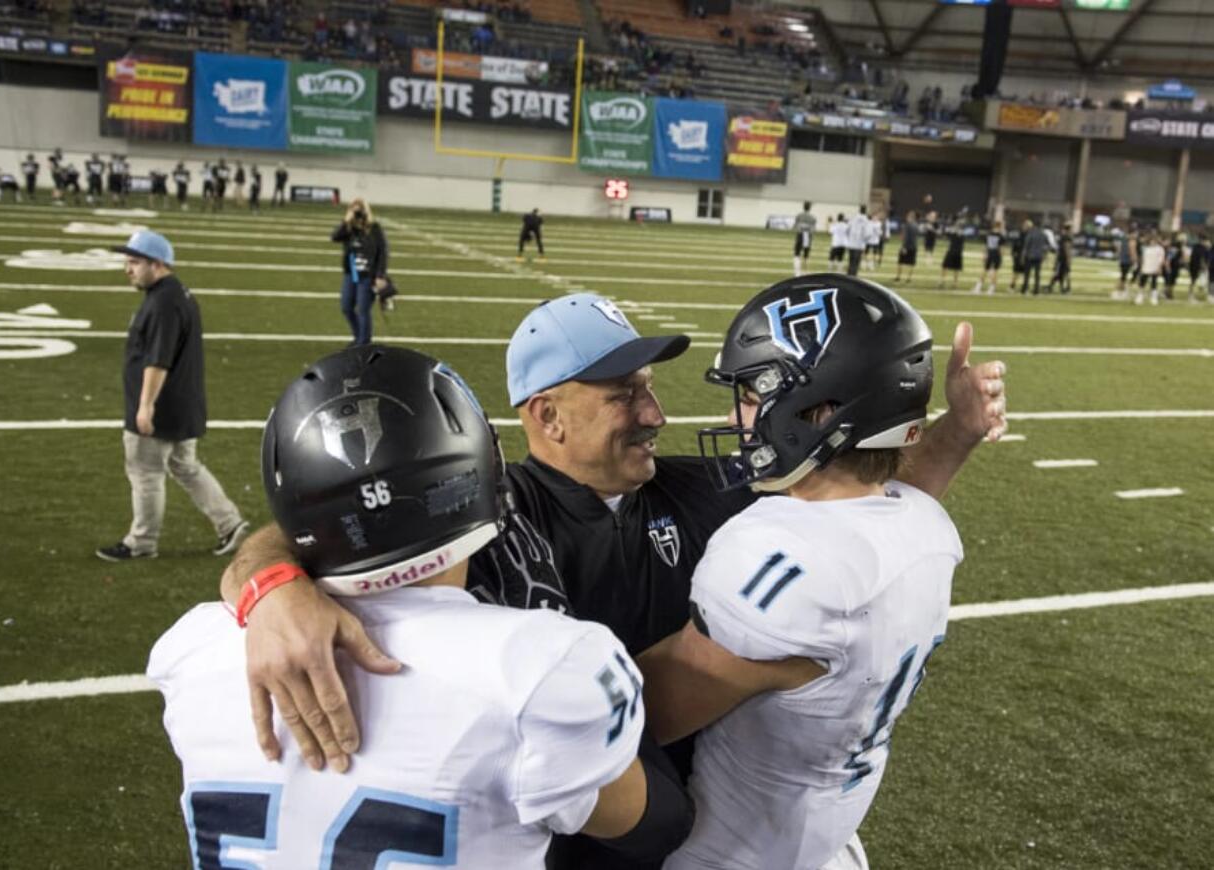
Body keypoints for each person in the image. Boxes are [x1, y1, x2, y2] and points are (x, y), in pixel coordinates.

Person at [219, 289, 1005, 795]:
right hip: (572, 820)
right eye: (623, 394)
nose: (654, 413)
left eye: (652, 388)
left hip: (695, 809)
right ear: (546, 417)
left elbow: (856, 520)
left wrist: (956, 433)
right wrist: (273, 587)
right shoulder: (482, 515)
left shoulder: (704, 485)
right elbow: (328, 525)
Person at [149, 345, 692, 869]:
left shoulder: (190, 651)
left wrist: (271, 577)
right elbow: (653, 824)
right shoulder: (533, 666)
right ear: (479, 471)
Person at [639, 275, 960, 870]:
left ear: (820, 410)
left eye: (755, 393)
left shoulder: (781, 555)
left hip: (728, 854)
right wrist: (960, 429)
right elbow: (880, 511)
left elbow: (638, 715)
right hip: (824, 842)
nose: (739, 415)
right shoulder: (924, 528)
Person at [95, 230, 248, 562]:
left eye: (134, 262)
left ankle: (141, 542)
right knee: (186, 466)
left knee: (146, 473)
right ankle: (230, 522)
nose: (128, 269)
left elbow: (158, 358)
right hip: (181, 405)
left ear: (158, 263)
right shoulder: (174, 295)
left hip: (161, 408)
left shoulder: (165, 302)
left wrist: (145, 406)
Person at [332, 198, 390, 345]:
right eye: (354, 209)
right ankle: (359, 336)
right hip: (351, 274)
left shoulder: (374, 228)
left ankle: (364, 342)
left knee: (363, 309)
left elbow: (383, 252)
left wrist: (380, 275)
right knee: (346, 307)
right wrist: (346, 221)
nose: (358, 213)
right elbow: (334, 237)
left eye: (360, 210)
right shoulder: (349, 229)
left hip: (368, 276)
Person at [974, 220, 1005, 294]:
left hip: (989, 253)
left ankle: (978, 287)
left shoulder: (989, 234)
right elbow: (1001, 249)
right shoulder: (1001, 236)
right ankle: (991, 289)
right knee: (995, 271)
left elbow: (985, 246)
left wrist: (984, 254)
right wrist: (1001, 257)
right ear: (1000, 226)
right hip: (996, 254)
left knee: (985, 270)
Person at [1136, 231, 1164, 306]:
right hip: (1146, 267)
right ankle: (1140, 296)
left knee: (1154, 283)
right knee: (1142, 282)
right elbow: (1143, 258)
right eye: (1151, 240)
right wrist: (1142, 267)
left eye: (1154, 240)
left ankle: (1153, 298)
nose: (1152, 242)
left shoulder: (1160, 249)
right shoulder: (1146, 248)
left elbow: (1161, 259)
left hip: (1154, 267)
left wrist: (1159, 268)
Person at [1020, 219, 1047, 295]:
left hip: (1030, 256)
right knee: (1037, 274)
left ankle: (1024, 289)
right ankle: (1036, 290)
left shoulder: (1030, 233)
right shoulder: (1043, 234)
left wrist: (1022, 256)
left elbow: (1026, 246)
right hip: (1039, 256)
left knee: (1027, 274)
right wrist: (1044, 256)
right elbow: (1045, 246)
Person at [791, 200, 817, 276]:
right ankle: (805, 272)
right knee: (806, 255)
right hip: (808, 236)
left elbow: (795, 226)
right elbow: (813, 230)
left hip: (800, 235)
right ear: (810, 208)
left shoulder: (799, 216)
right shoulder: (812, 218)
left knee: (797, 254)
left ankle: (797, 273)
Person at [1047, 223, 1073, 294]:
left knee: (1060, 274)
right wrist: (1068, 259)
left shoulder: (1063, 236)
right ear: (1069, 229)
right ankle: (1066, 288)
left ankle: (1053, 286)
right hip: (1063, 259)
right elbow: (1066, 248)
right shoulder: (1067, 237)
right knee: (1064, 273)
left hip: (1060, 258)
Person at [940, 216, 965, 289]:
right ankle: (955, 283)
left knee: (945, 266)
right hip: (959, 252)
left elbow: (945, 234)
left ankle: (942, 281)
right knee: (956, 269)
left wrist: (947, 225)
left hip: (952, 251)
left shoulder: (954, 231)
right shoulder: (962, 232)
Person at [845, 205, 870, 277]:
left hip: (851, 244)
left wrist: (849, 238)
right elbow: (867, 234)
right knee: (856, 263)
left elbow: (847, 230)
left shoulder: (853, 218)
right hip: (859, 245)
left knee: (850, 262)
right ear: (865, 211)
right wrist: (864, 240)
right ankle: (853, 277)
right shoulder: (866, 220)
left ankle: (848, 277)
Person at [895, 210, 919, 283]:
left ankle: (898, 277)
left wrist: (904, 247)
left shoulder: (907, 225)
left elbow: (906, 237)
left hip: (907, 246)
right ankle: (909, 278)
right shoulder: (916, 225)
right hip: (914, 246)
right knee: (911, 263)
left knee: (900, 262)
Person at [1115, 227, 1137, 299]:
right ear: (1132, 233)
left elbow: (1118, 249)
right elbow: (1132, 252)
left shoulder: (1123, 239)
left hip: (1122, 259)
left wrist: (1120, 257)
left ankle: (1119, 291)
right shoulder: (1131, 241)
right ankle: (1121, 291)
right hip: (1127, 260)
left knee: (1122, 276)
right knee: (1125, 276)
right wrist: (1134, 261)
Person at [1186, 233, 1208, 302]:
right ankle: (1191, 295)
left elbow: (1191, 256)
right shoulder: (1203, 248)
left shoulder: (1194, 246)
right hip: (1197, 266)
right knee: (1195, 281)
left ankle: (1190, 295)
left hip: (1192, 265)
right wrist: (1204, 267)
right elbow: (1202, 258)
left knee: (1193, 281)